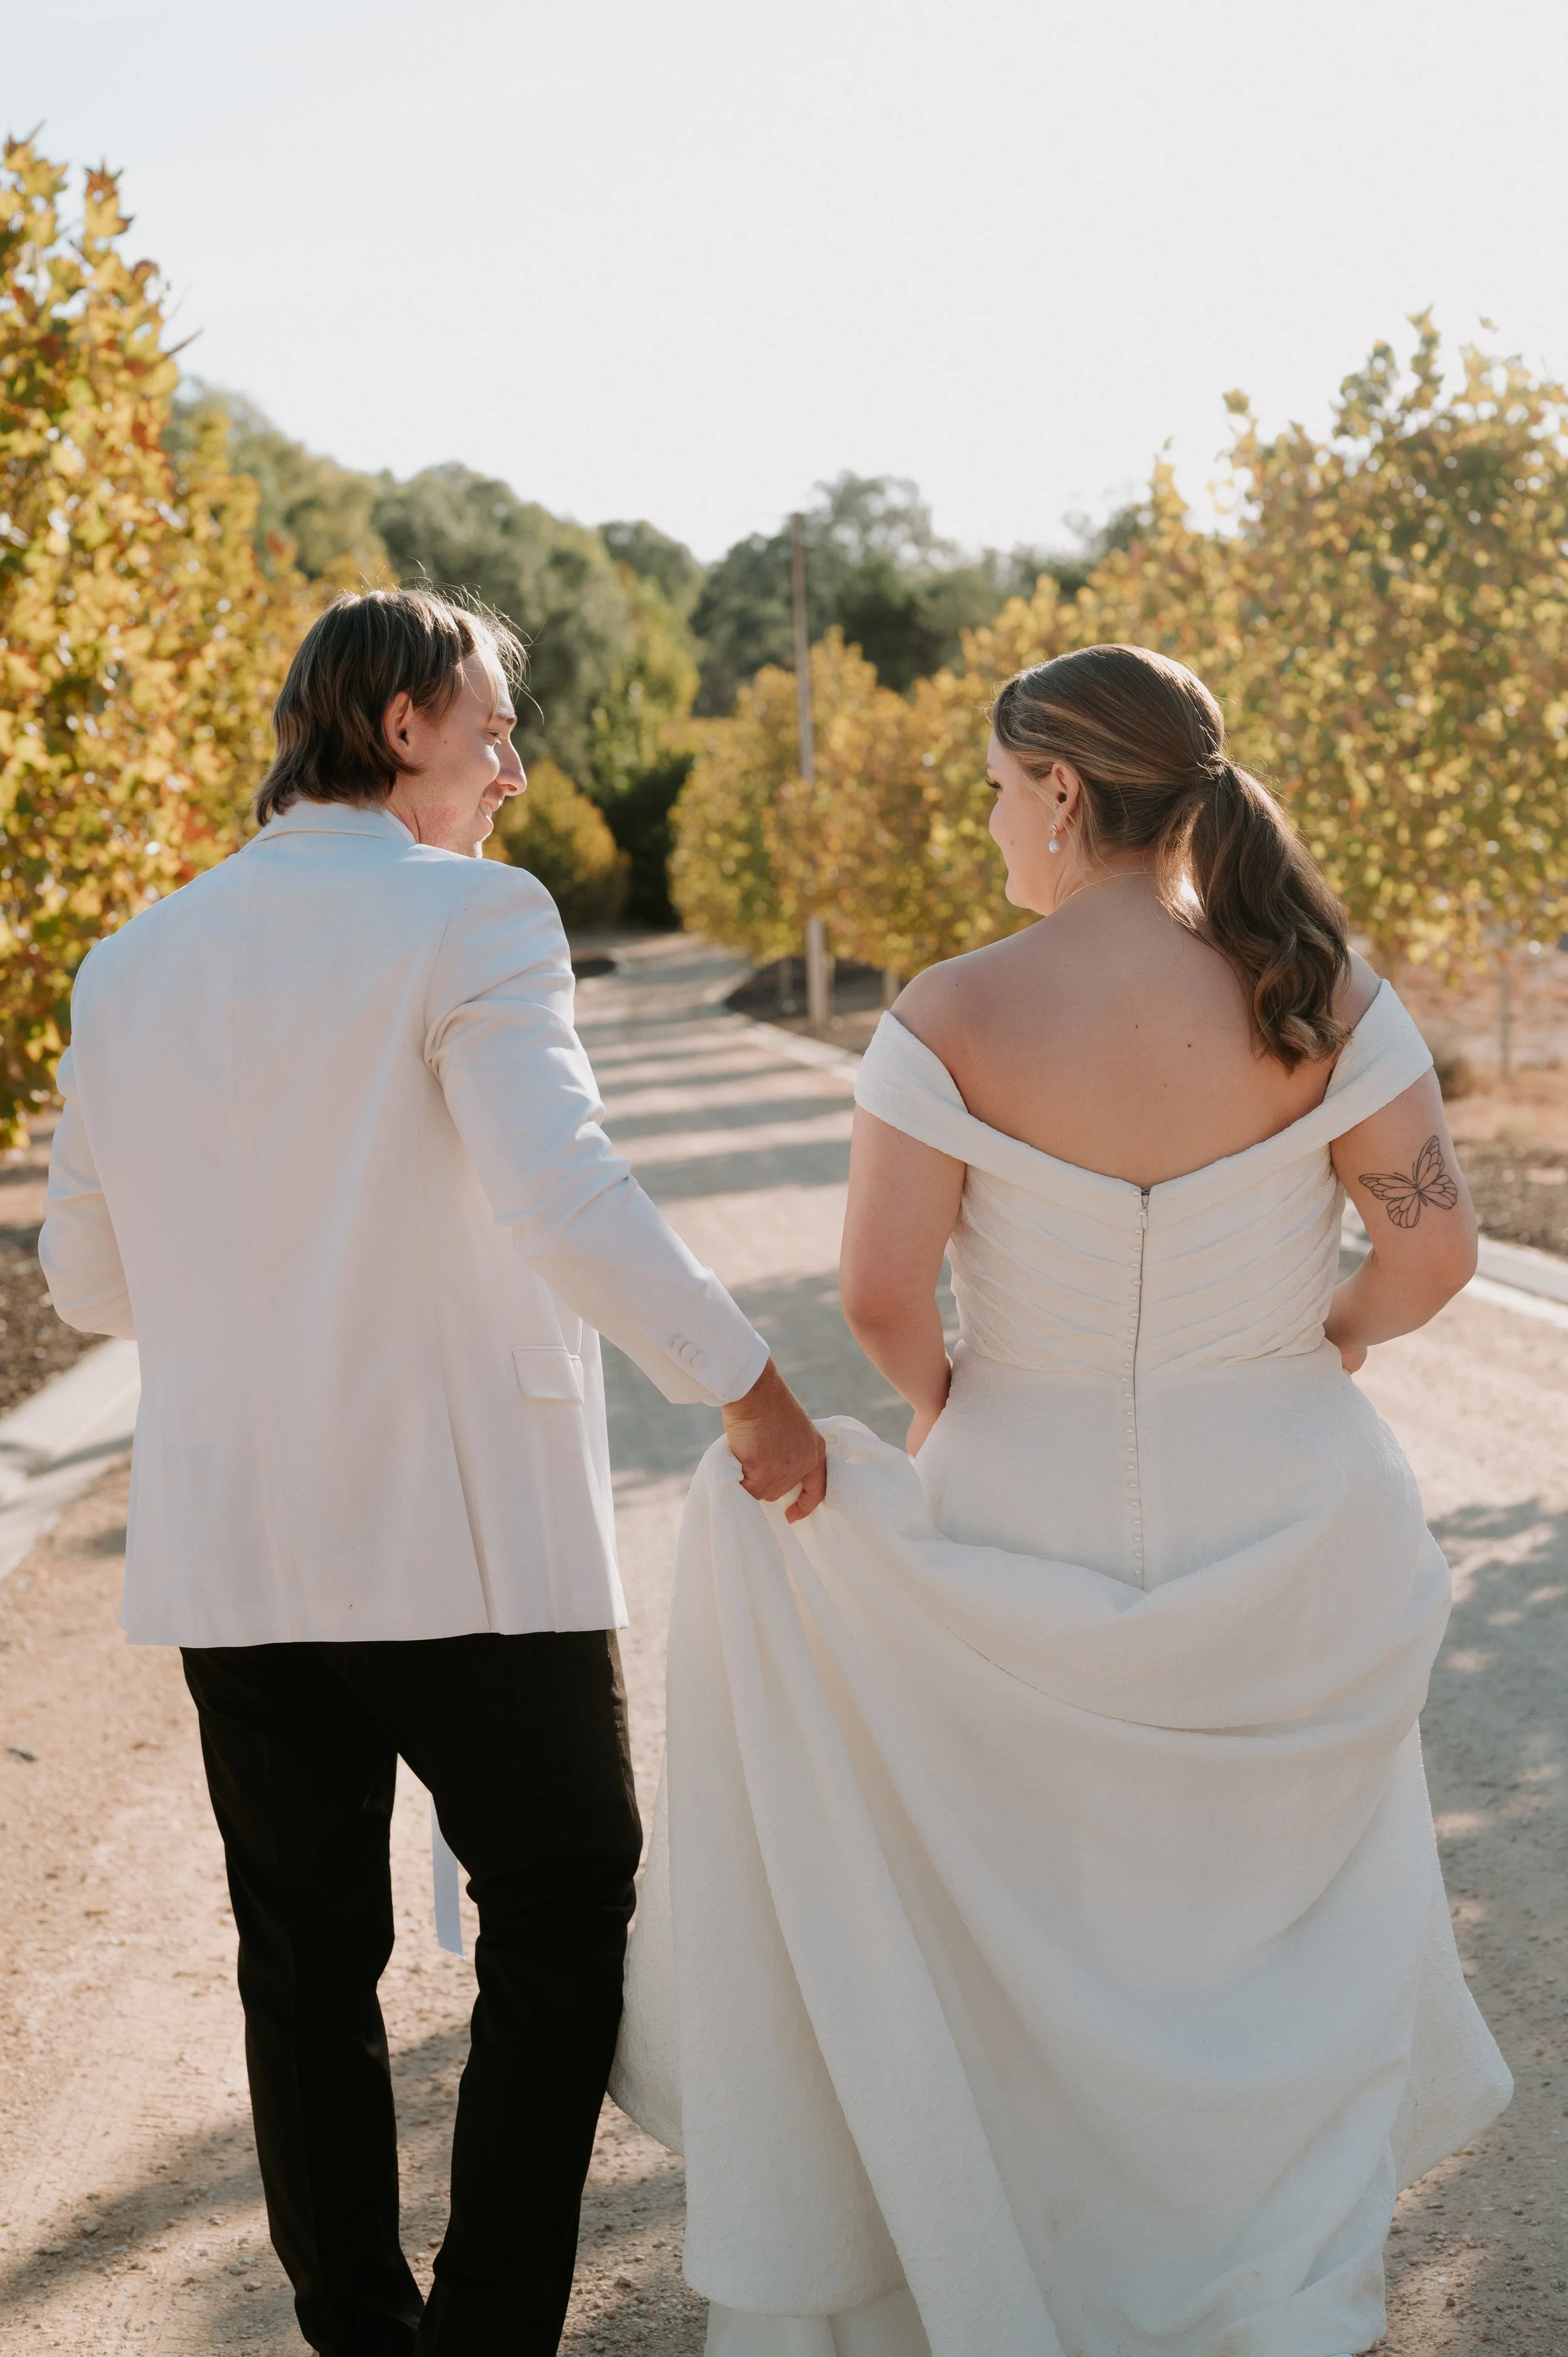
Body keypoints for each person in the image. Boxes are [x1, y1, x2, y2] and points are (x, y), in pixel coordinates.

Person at [613, 644, 1512, 2357]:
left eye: (992, 788)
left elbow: (880, 1296)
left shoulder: (948, 1010)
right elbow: (1435, 1250)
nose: (985, 822)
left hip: (1019, 1494)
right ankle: (1258, 2296)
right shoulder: (1314, 988)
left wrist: (959, 1410)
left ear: (1065, 792)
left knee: (1039, 1936)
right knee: (1266, 1946)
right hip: (1287, 1500)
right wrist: (1307, 1345)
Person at [38, 587, 825, 2357]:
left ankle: (361, 2333)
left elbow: (88, 1284)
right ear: (398, 725)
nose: (511, 767)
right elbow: (557, 1194)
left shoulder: (131, 959)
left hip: (237, 1555)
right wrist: (744, 1376)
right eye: (490, 727)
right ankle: (485, 2337)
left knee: (303, 1960)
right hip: (462, 1550)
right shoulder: (470, 915)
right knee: (564, 1898)